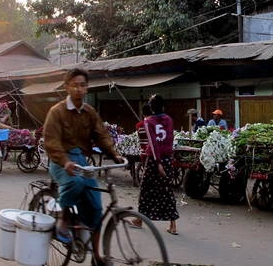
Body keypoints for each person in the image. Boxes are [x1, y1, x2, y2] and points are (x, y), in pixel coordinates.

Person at [43, 68, 123, 266]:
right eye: (75, 85)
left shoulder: (89, 112)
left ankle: (97, 255)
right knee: (76, 182)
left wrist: (115, 154)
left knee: (96, 207)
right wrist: (66, 162)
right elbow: (51, 143)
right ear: (67, 87)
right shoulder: (56, 112)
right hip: (60, 161)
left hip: (82, 162)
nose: (79, 89)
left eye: (83, 85)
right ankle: (63, 220)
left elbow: (102, 135)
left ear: (87, 88)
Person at [132, 94, 180, 235]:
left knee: (146, 189)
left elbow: (152, 144)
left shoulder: (149, 121)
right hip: (167, 158)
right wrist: (166, 160)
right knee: (167, 190)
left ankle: (140, 220)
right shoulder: (169, 120)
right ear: (163, 106)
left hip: (154, 160)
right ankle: (173, 225)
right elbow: (170, 139)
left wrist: (158, 162)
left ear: (151, 108)